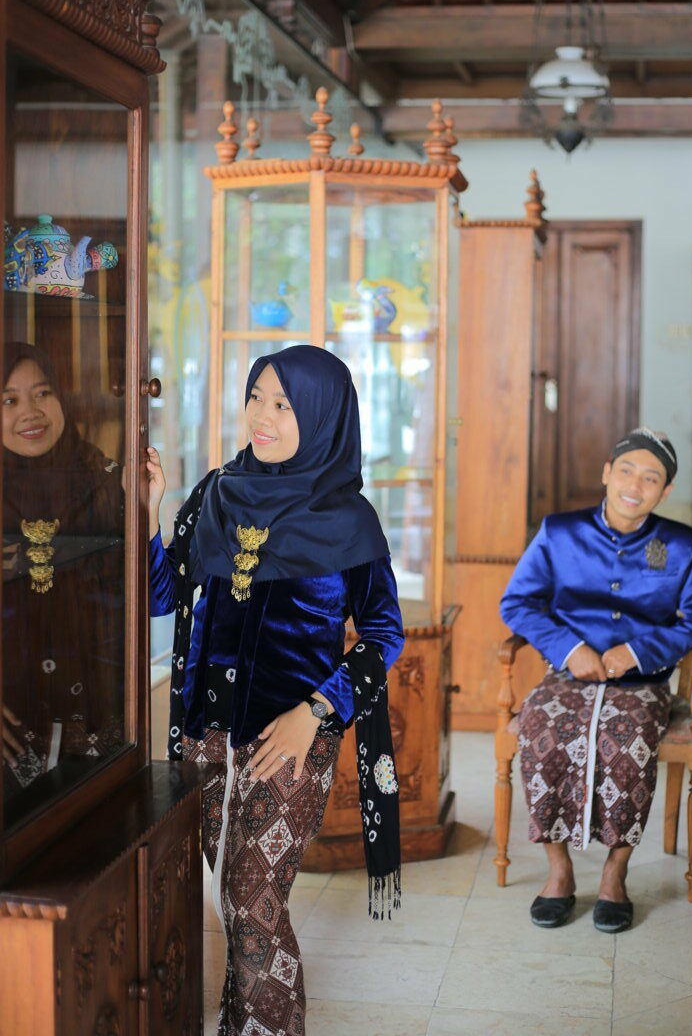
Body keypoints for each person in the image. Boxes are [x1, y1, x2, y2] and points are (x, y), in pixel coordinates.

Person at [146, 344, 404, 1036]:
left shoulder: (349, 519)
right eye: (256, 397)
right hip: (205, 734)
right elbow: (162, 596)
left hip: (289, 743)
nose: (262, 416)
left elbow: (384, 635)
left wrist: (315, 713)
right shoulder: (216, 492)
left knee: (254, 907)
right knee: (233, 907)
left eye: (284, 404)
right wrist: (149, 512)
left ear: (322, 415)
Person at [499, 427, 692, 934]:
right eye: (626, 471)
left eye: (651, 478)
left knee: (628, 743)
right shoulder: (559, 532)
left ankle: (614, 873)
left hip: (642, 683)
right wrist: (569, 648)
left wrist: (640, 650)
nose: (635, 485)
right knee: (542, 733)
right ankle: (558, 871)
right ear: (607, 473)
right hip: (567, 675)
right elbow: (517, 603)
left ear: (665, 491)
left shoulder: (679, 544)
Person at [2, 341, 125, 811]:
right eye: (9, 400)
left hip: (96, 711)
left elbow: (133, 597)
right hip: (11, 722)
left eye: (43, 393)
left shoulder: (104, 480)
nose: (30, 412)